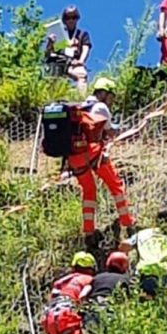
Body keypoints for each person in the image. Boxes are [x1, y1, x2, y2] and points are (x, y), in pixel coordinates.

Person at [67, 77, 135, 251]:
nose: (111, 101)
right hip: (93, 153)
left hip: (74, 158)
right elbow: (109, 130)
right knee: (116, 187)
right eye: (111, 97)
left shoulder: (81, 107)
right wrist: (123, 130)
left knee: (89, 192)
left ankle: (88, 233)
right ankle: (129, 226)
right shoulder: (101, 107)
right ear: (104, 94)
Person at [118, 209, 167, 299]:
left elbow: (124, 246)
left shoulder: (142, 234)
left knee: (145, 304)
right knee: (165, 305)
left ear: (156, 221)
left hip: (144, 274)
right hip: (165, 275)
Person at [82, 251, 130, 334]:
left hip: (93, 310)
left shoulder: (97, 278)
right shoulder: (125, 280)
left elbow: (83, 295)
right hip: (111, 311)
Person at [46, 5, 92, 92]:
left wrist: (81, 61)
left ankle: (81, 100)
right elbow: (48, 54)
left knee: (82, 74)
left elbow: (86, 48)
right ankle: (51, 99)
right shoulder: (58, 34)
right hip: (58, 62)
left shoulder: (82, 34)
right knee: (50, 75)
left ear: (77, 19)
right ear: (64, 20)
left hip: (73, 63)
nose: (71, 20)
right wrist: (50, 43)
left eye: (73, 17)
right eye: (68, 18)